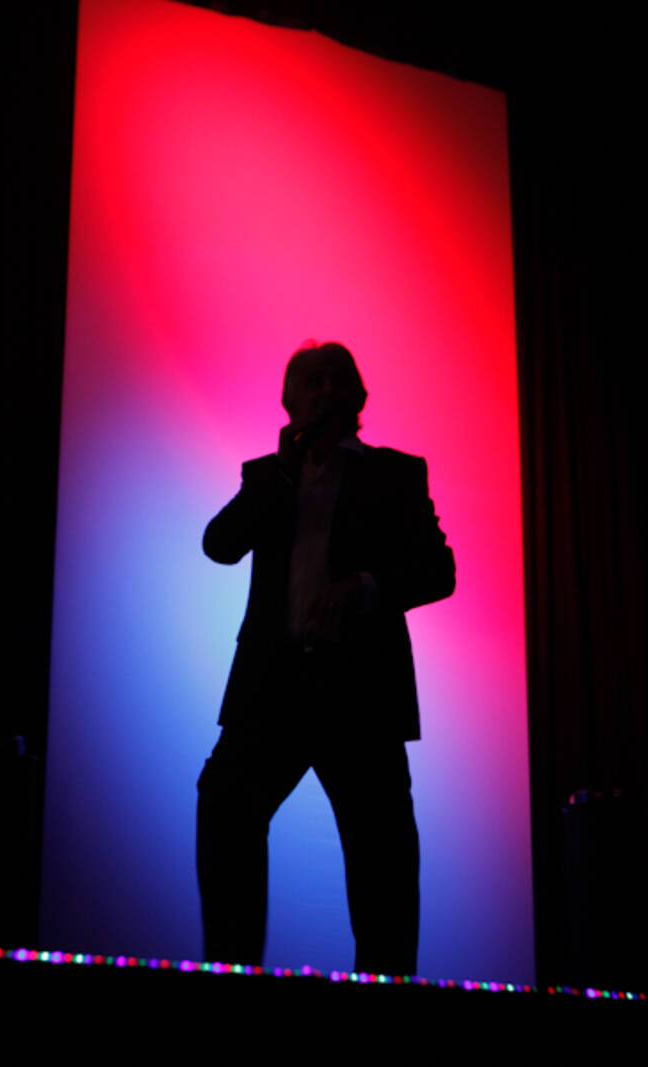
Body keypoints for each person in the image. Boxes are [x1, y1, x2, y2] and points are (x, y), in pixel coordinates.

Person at [197, 340, 455, 976]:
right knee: (225, 808)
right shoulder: (267, 475)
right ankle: (230, 971)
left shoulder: (395, 474)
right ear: (288, 400)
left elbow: (438, 570)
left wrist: (364, 587)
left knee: (383, 859)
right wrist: (283, 475)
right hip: (272, 689)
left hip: (360, 692)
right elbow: (219, 545)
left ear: (360, 398)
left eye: (338, 380)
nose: (326, 391)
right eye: (312, 381)